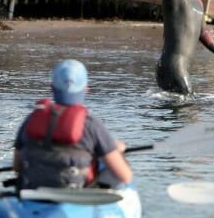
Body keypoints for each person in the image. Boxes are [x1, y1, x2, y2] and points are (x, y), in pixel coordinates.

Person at [12, 59, 133, 189]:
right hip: (77, 191)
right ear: (86, 89)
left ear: (52, 87)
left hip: (35, 189)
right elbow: (125, 176)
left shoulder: (32, 119)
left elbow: (17, 166)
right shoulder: (91, 124)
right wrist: (116, 151)